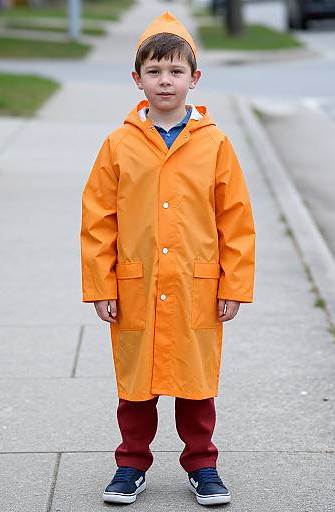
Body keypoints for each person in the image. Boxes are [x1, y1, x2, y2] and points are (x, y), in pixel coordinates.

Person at [80, 10, 255, 507]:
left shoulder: (215, 144)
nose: (165, 81)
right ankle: (130, 463)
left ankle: (203, 464)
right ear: (137, 79)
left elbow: (237, 220)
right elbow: (97, 221)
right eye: (154, 71)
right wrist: (102, 285)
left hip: (194, 284)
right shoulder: (118, 145)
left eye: (176, 71)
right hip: (136, 282)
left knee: (196, 382)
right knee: (136, 384)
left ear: (194, 79)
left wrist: (233, 285)